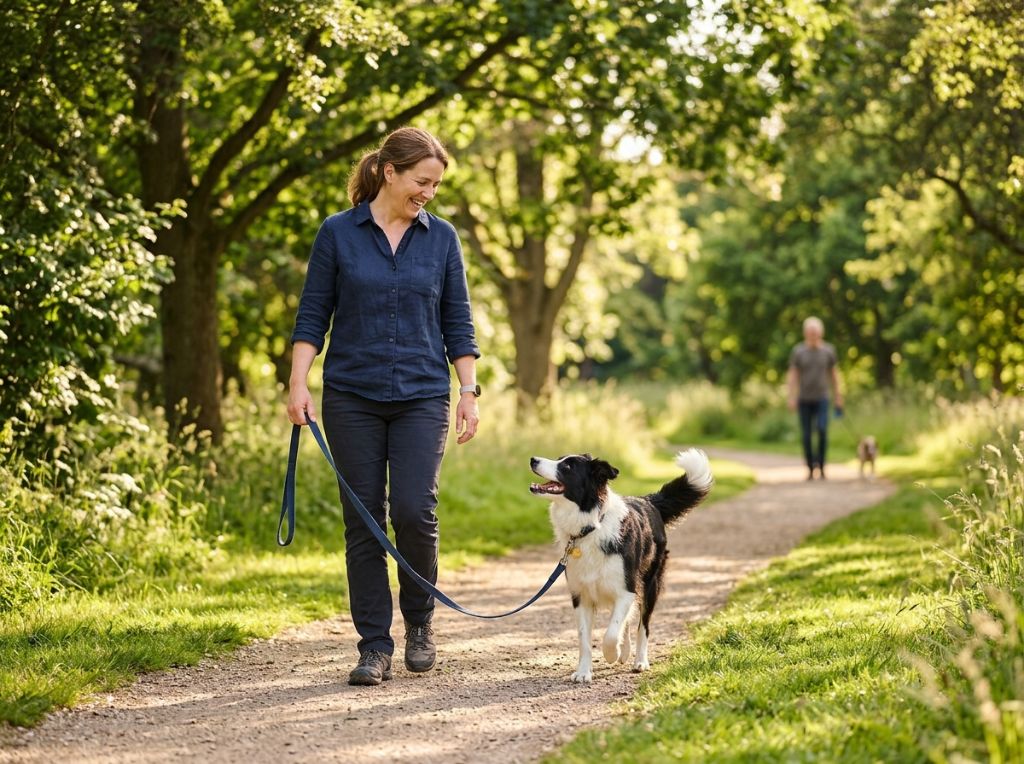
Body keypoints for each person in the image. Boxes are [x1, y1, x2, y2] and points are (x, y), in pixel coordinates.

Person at [286, 127, 481, 687]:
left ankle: (420, 622)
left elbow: (458, 323)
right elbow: (311, 316)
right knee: (365, 520)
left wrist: (468, 392)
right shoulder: (337, 234)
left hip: (422, 394)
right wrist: (298, 385)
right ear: (390, 172)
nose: (430, 192)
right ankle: (374, 646)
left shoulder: (441, 239)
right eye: (423, 181)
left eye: (437, 185)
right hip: (351, 396)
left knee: (416, 512)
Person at [787, 316, 843, 480]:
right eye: (810, 332)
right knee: (806, 435)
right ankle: (811, 468)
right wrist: (791, 396)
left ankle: (822, 466)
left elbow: (834, 375)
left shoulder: (828, 350)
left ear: (821, 332)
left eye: (815, 332)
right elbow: (793, 375)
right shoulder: (798, 351)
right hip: (804, 399)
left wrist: (838, 396)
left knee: (822, 430)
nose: (813, 335)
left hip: (822, 398)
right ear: (805, 333)